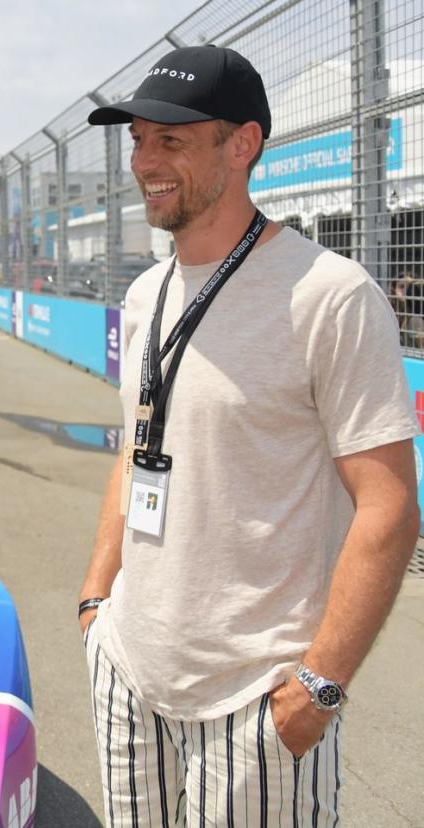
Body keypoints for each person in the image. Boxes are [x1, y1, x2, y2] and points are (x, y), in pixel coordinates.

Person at [78, 46, 419, 826]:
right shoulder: (143, 293)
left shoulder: (330, 297)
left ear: (243, 144)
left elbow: (389, 508)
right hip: (130, 672)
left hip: (256, 700)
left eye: (171, 140)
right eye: (136, 139)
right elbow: (138, 449)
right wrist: (97, 602)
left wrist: (318, 688)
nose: (144, 161)